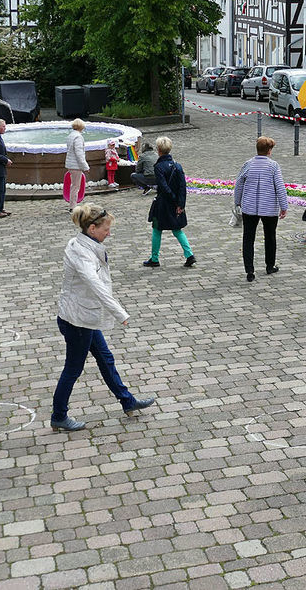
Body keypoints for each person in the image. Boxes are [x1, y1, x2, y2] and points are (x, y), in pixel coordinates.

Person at [51, 203, 155, 432]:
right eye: (105, 229)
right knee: (72, 369)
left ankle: (127, 401)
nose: (109, 233)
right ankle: (59, 415)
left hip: (83, 317)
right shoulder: (82, 253)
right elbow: (96, 285)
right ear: (92, 229)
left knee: (106, 358)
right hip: (77, 320)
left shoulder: (86, 244)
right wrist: (120, 313)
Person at [234, 136, 289, 282]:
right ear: (269, 150)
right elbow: (280, 187)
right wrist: (284, 206)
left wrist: (237, 202)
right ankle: (270, 266)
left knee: (248, 238)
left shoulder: (248, 164)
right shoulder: (273, 166)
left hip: (249, 206)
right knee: (270, 236)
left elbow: (238, 184)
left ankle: (249, 270)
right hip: (269, 207)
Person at [143, 136, 196, 268]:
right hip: (176, 203)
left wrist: (173, 199)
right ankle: (189, 255)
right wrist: (180, 204)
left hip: (163, 203)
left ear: (159, 150)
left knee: (156, 229)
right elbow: (183, 187)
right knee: (177, 230)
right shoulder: (177, 166)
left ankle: (154, 258)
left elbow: (164, 187)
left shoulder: (159, 167)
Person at [64, 118, 90, 204]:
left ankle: (73, 205)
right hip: (76, 165)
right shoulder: (78, 137)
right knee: (75, 186)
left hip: (70, 164)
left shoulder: (70, 136)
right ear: (81, 127)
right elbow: (79, 154)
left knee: (74, 186)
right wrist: (85, 166)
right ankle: (73, 206)